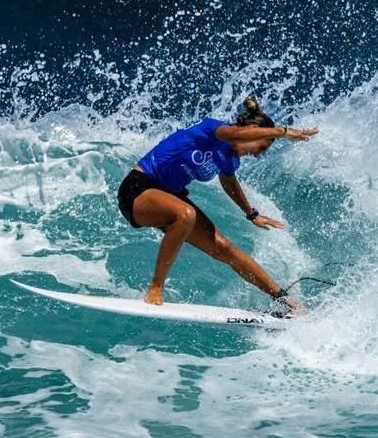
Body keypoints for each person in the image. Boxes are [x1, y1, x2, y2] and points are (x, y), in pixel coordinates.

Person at [116, 98, 318, 310]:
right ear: (252, 129)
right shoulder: (212, 129)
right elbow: (234, 134)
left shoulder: (229, 157)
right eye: (262, 146)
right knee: (186, 214)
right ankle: (155, 287)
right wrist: (282, 132)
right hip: (138, 189)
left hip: (170, 198)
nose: (258, 154)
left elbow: (229, 182)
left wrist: (251, 214)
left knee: (226, 249)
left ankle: (285, 301)